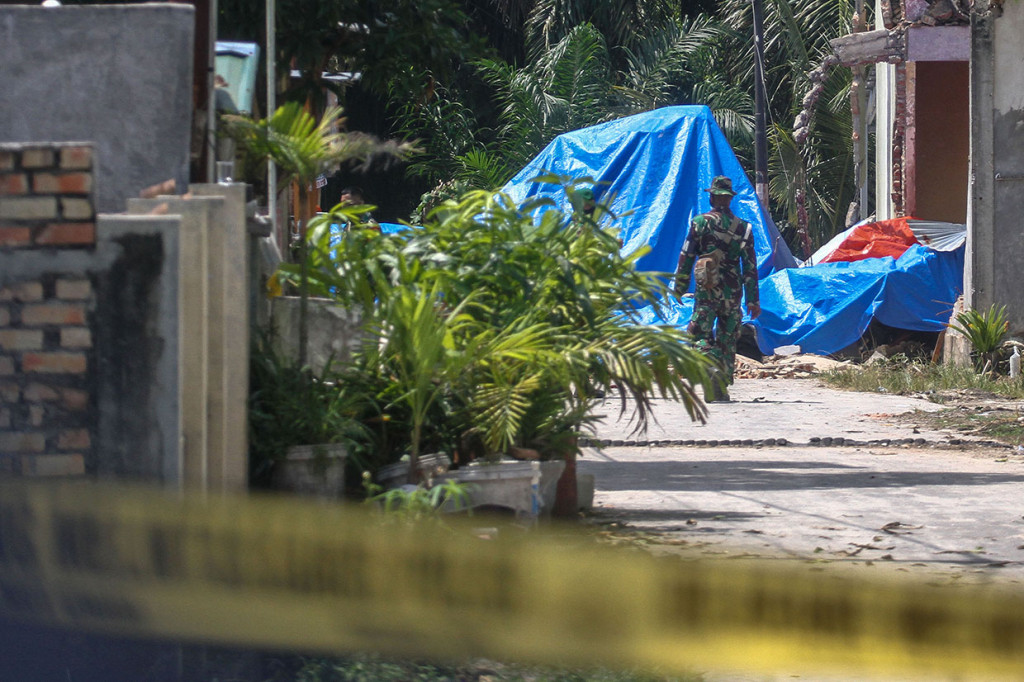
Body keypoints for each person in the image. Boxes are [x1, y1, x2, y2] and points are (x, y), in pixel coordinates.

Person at [674, 175, 761, 402]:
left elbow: (687, 256)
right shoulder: (744, 228)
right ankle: (720, 386)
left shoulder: (699, 223)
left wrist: (679, 286)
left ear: (712, 197)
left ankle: (708, 361)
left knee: (697, 335)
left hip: (707, 291)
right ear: (729, 199)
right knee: (728, 338)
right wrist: (753, 300)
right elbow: (750, 266)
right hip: (733, 292)